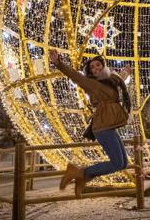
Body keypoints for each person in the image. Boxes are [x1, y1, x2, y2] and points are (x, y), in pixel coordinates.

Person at [49, 50, 130, 198]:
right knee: (117, 163)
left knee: (124, 164)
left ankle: (83, 177)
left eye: (98, 65)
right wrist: (59, 63)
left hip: (109, 127)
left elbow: (120, 78)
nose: (96, 68)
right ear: (90, 71)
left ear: (103, 65)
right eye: (92, 67)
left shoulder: (112, 79)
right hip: (102, 127)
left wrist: (125, 72)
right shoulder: (91, 84)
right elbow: (75, 76)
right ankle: (79, 173)